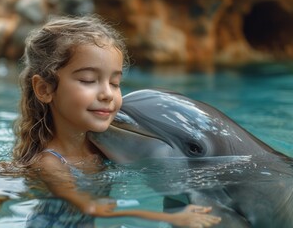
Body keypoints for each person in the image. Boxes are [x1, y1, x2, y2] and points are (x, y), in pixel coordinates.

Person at [12, 15, 221, 227]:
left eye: (115, 83)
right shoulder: (51, 163)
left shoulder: (102, 149)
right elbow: (93, 209)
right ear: (45, 89)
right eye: (88, 80)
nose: (107, 94)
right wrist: (172, 218)